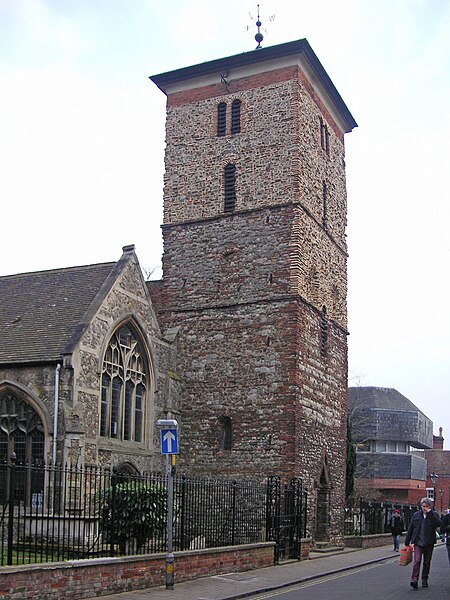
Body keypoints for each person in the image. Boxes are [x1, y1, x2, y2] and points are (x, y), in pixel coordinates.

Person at [404, 497, 442, 589]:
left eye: (426, 506)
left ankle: (424, 579)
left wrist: (430, 513)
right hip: (418, 542)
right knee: (417, 561)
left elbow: (439, 524)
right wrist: (407, 541)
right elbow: (411, 528)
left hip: (429, 542)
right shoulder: (416, 515)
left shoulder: (434, 515)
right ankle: (414, 580)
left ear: (430, 506)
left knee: (426, 562)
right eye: (423, 506)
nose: (424, 508)